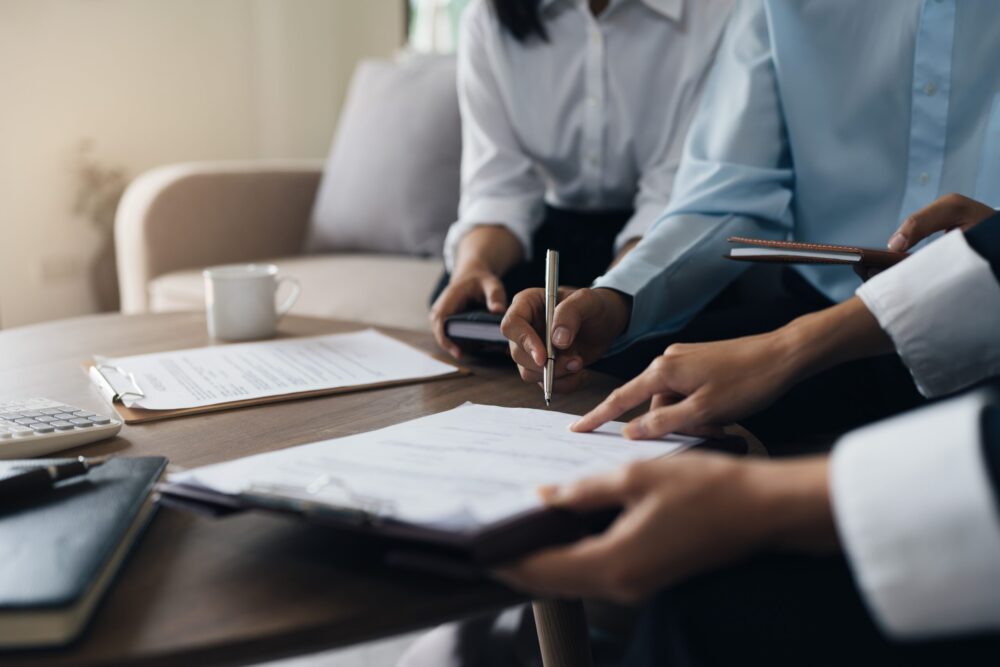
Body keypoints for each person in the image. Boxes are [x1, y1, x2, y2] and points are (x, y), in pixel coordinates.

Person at [497, 201, 1000, 664]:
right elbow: (727, 196)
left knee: (710, 608)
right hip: (914, 305)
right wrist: (786, 347)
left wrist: (767, 500)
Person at [502, 0, 1000, 432]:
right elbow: (728, 194)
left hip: (984, 332)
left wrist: (787, 351)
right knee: (624, 393)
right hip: (826, 323)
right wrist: (616, 299)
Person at [430, 0, 735, 359]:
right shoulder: (488, 17)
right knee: (471, 319)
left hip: (667, 232)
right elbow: (500, 189)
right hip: (552, 231)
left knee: (654, 342)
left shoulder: (717, 14)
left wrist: (611, 297)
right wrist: (473, 266)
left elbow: (674, 195)